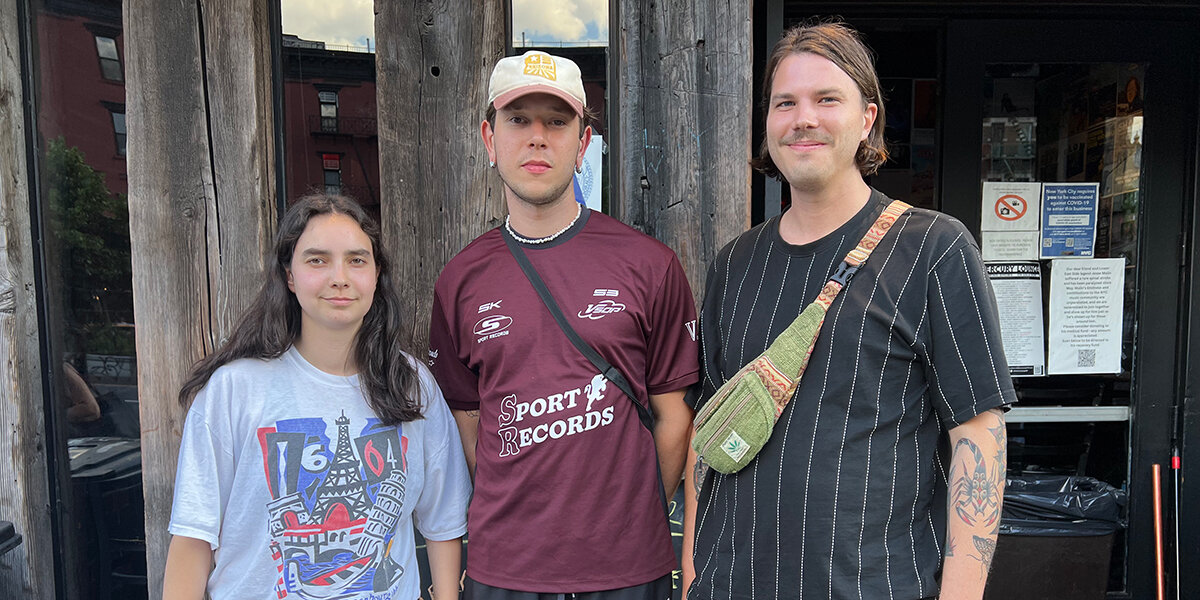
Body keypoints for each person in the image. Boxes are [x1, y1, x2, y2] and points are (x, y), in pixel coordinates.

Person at [683, 23, 1013, 600]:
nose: (803, 118)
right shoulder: (734, 264)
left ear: (867, 118)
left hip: (873, 587)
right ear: (767, 124)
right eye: (785, 102)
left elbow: (978, 433)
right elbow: (704, 433)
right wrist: (692, 574)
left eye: (827, 99)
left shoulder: (933, 248)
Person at [427, 50, 699, 599]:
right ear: (489, 138)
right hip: (504, 570)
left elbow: (675, 418)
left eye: (556, 122)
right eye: (518, 120)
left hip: (627, 570)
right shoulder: (460, 281)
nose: (536, 138)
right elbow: (467, 427)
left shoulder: (650, 265)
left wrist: (626, 516)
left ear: (582, 144)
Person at [162, 195, 471, 600]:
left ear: (378, 275)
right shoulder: (234, 391)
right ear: (289, 276)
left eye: (357, 260)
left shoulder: (412, 386)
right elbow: (193, 539)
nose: (339, 277)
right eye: (317, 260)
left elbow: (444, 524)